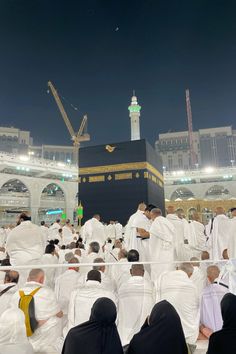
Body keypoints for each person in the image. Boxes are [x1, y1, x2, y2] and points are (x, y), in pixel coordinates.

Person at [10, 268, 63, 353]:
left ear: (28, 278)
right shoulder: (47, 292)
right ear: (42, 279)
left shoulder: (16, 294)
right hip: (45, 337)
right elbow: (59, 314)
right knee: (57, 318)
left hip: (23, 334)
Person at [156, 263, 199, 346]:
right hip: (188, 334)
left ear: (177, 268)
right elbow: (196, 309)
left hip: (165, 330)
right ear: (190, 274)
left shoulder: (163, 278)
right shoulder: (192, 286)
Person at [118, 264, 154, 345]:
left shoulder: (123, 287)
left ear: (130, 271)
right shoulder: (150, 286)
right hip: (145, 333)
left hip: (126, 333)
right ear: (144, 272)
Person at [200, 265, 229, 339]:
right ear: (221, 276)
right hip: (229, 335)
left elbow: (197, 317)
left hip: (209, 336)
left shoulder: (202, 294)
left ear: (208, 278)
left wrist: (202, 328)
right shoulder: (230, 292)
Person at [148, 208, 175, 282]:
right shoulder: (168, 222)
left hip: (158, 254)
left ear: (153, 214)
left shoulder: (156, 223)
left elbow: (154, 238)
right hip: (169, 254)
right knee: (169, 275)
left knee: (159, 276)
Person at [55, 257, 82, 328]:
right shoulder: (80, 277)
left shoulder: (60, 277)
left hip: (62, 306)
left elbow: (56, 294)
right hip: (74, 306)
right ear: (76, 266)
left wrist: (56, 309)